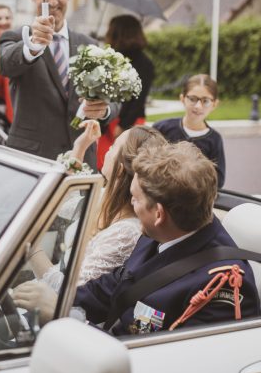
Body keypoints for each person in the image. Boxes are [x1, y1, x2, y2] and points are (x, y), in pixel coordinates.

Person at [15, 142, 259, 336]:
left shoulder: (220, 284)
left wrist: (63, 316)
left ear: (159, 213)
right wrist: (60, 301)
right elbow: (111, 288)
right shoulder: (161, 234)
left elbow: (156, 363)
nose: (130, 204)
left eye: (135, 198)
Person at [0, 0, 117, 168]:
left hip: (81, 159)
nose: (53, 1)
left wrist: (104, 110)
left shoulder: (90, 44)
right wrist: (33, 45)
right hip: (32, 161)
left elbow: (114, 99)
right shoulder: (16, 37)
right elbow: (6, 64)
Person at [28, 124, 168, 290]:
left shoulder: (125, 233)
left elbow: (72, 291)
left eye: (114, 146)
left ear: (119, 169)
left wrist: (30, 245)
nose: (107, 148)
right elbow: (66, 201)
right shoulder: (103, 195)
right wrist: (80, 147)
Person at [96, 15, 155, 168]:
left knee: (124, 166)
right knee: (107, 165)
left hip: (128, 122)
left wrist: (123, 124)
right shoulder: (111, 57)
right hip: (108, 119)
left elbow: (139, 98)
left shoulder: (143, 63)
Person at [153, 74, 226, 188]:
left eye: (205, 101)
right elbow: (147, 162)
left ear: (214, 104)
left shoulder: (214, 139)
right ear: (182, 99)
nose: (198, 106)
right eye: (193, 99)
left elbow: (218, 181)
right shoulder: (161, 128)